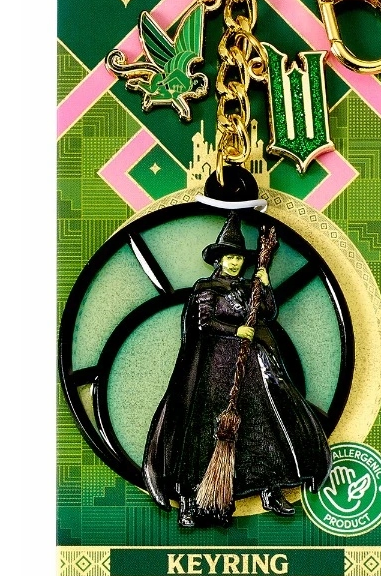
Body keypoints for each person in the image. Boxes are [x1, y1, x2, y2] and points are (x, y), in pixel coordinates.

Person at [142, 213, 332, 527]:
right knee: (203, 431)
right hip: (213, 367)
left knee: (260, 423)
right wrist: (236, 331)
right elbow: (203, 323)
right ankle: (191, 500)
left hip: (248, 369)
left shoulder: (249, 287)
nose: (234, 263)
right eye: (229, 257)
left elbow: (266, 313)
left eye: (238, 258)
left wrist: (264, 283)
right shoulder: (207, 287)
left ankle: (270, 489)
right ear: (219, 259)